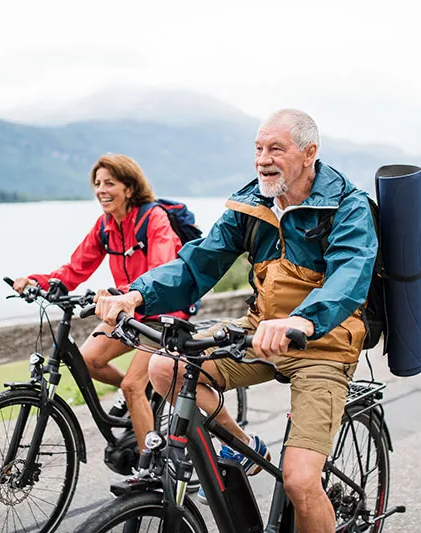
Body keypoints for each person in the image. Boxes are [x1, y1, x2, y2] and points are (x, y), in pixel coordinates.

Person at [94, 109, 377, 533]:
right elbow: (196, 264)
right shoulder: (252, 204)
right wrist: (137, 293)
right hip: (259, 331)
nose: (263, 158)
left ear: (309, 153)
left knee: (301, 483)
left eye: (276, 149)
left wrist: (301, 321)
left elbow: (349, 277)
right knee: (165, 366)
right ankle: (243, 448)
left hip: (323, 342)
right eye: (259, 148)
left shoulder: (346, 206)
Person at [13, 154, 187, 452]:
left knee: (133, 387)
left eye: (110, 183)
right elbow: (74, 270)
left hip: (163, 313)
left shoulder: (153, 219)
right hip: (126, 312)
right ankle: (140, 401)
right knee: (88, 361)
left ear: (129, 188)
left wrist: (119, 292)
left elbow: (161, 272)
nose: (101, 190)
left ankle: (151, 469)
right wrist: (37, 281)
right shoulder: (105, 226)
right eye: (97, 184)